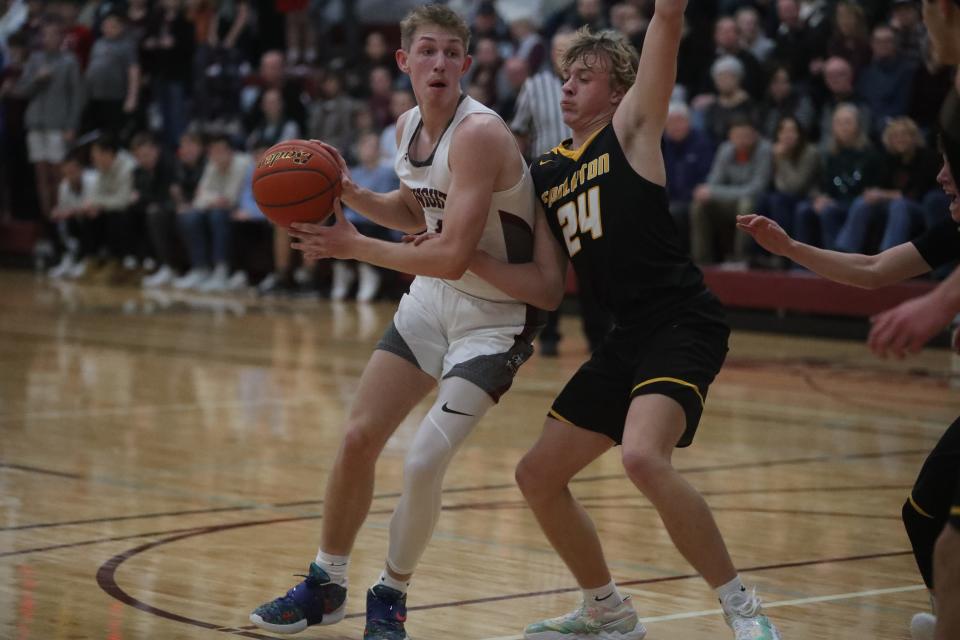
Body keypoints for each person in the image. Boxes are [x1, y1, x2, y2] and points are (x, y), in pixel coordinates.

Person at [463, 6, 783, 638]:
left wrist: (668, 12)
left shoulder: (632, 131)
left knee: (642, 456)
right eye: (568, 75)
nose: (570, 85)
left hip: (682, 319)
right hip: (625, 336)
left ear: (618, 90)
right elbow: (549, 286)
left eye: (587, 76)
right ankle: (607, 609)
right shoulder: (546, 173)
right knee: (536, 475)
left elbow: (664, 25)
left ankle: (742, 606)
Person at [248, 5, 541, 639]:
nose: (439, 62)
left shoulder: (480, 134)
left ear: (467, 62)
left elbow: (454, 250)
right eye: (427, 52)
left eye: (452, 52)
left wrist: (354, 247)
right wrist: (350, 193)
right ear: (403, 62)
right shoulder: (407, 124)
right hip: (434, 300)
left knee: (423, 460)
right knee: (357, 438)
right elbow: (414, 214)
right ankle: (326, 583)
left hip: (496, 318)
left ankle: (391, 594)